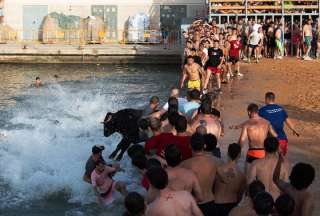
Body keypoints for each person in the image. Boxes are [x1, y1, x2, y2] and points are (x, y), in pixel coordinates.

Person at [181, 133, 217, 216]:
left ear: (190, 146)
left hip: (194, 204)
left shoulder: (185, 164)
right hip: (210, 202)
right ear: (204, 146)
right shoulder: (213, 162)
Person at [238, 103, 277, 172]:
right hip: (264, 153)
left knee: (249, 178)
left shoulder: (247, 123)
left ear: (249, 112)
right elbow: (275, 135)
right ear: (257, 111)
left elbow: (242, 140)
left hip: (252, 152)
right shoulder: (267, 122)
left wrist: (237, 152)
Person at [259, 92, 299, 156]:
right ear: (274, 99)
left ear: (266, 99)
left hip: (270, 142)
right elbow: (288, 121)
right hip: (282, 139)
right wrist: (294, 129)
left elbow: (256, 123)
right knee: (282, 162)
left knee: (269, 162)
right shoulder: (281, 109)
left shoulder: (262, 110)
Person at [214, 143, 246, 216]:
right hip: (232, 204)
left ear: (228, 153)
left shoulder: (218, 169)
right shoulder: (242, 176)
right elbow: (240, 196)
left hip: (217, 203)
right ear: (239, 155)